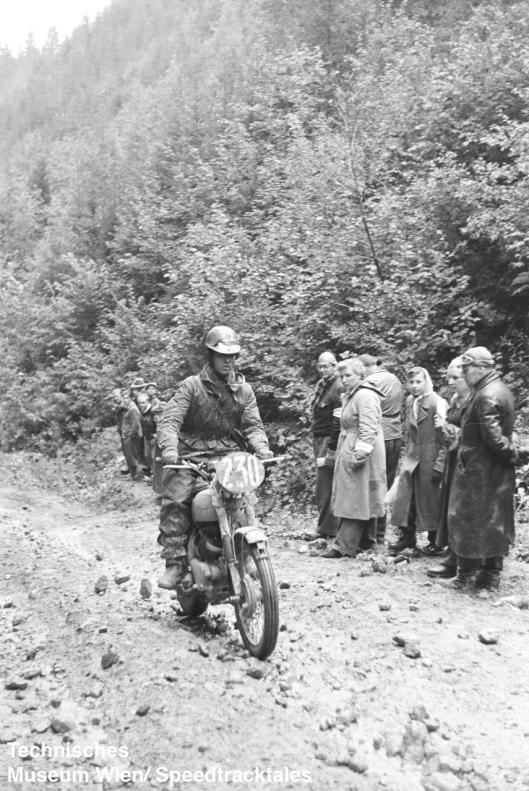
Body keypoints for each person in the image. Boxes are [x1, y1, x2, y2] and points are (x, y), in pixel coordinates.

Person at [156, 326, 272, 589]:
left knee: (244, 495)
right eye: (221, 354)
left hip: (228, 455)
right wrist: (170, 451)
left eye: (232, 355)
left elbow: (253, 425)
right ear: (210, 355)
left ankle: (248, 553)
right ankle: (174, 563)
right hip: (190, 455)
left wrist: (262, 449)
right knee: (177, 499)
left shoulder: (244, 391)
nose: (227, 360)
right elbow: (170, 420)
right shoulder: (192, 386)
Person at [445, 347, 517, 590]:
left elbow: (495, 439)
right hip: (487, 465)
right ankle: (488, 576)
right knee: (494, 519)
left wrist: (518, 453)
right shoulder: (495, 389)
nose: (464, 374)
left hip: (479, 467)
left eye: (466, 369)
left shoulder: (487, 394)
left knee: (468, 518)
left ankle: (466, 577)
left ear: (480, 368)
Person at [321, 357, 386, 558]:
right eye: (342, 376)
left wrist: (360, 453)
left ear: (360, 375)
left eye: (348, 375)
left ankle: (344, 545)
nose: (344, 380)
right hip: (351, 443)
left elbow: (369, 426)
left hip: (362, 448)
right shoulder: (352, 395)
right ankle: (366, 542)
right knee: (359, 494)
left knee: (356, 495)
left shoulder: (365, 395)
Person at [389, 367, 448, 555]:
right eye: (411, 382)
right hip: (412, 457)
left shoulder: (436, 402)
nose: (414, 386)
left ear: (426, 382)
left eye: (418, 382)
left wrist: (440, 462)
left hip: (430, 456)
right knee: (406, 497)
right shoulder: (409, 401)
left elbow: (444, 435)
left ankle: (436, 542)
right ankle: (407, 538)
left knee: (431, 499)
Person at [427, 357, 471, 578]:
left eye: (456, 378)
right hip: (453, 459)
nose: (452, 382)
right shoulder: (455, 398)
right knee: (449, 508)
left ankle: (464, 562)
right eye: (449, 378)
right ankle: (451, 556)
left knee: (462, 510)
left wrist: (445, 427)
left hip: (469, 462)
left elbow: (470, 435)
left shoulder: (475, 401)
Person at [358, 353, 403, 547]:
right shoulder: (395, 379)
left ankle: (372, 535)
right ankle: (382, 534)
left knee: (374, 484)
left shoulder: (370, 381)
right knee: (386, 484)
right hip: (395, 435)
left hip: (379, 436)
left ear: (365, 367)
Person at [309, 352, 343, 542]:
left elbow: (337, 422)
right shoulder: (323, 386)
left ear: (334, 365)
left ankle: (328, 529)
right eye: (320, 366)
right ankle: (325, 527)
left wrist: (331, 449)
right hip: (319, 438)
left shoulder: (337, 387)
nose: (323, 370)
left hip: (329, 439)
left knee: (326, 484)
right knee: (322, 485)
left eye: (326, 366)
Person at [120, 389, 145, 481]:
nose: (125, 399)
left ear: (130, 398)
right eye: (123, 397)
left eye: (127, 397)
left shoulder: (133, 408)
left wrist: (130, 436)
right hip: (127, 435)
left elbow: (135, 424)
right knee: (129, 456)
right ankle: (133, 476)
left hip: (132, 437)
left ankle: (137, 476)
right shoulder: (127, 407)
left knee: (133, 456)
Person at [137, 391, 158, 477]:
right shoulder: (142, 412)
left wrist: (157, 434)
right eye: (139, 403)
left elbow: (159, 423)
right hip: (146, 437)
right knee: (147, 455)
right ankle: (149, 471)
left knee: (154, 457)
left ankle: (154, 475)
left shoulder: (153, 412)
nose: (141, 405)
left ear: (148, 402)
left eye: (143, 403)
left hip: (154, 437)